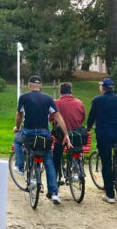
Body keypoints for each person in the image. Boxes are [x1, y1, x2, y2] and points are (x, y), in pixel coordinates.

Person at [13, 75, 72, 204]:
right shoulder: (48, 98)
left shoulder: (23, 97)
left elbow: (19, 115)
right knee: (48, 161)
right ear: (40, 86)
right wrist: (66, 134)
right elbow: (57, 116)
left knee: (17, 141)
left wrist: (17, 127)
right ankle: (55, 193)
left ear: (29, 85)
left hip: (28, 132)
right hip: (44, 134)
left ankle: (20, 166)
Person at [87, 78, 117, 204]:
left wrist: (88, 128)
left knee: (106, 163)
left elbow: (91, 117)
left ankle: (110, 195)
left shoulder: (97, 100)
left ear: (103, 88)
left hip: (104, 135)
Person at [50, 83, 86, 180]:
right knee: (77, 150)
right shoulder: (79, 103)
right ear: (71, 91)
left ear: (60, 91)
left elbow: (50, 118)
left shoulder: (56, 103)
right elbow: (82, 118)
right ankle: (78, 168)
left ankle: (54, 181)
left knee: (56, 157)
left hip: (61, 136)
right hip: (76, 135)